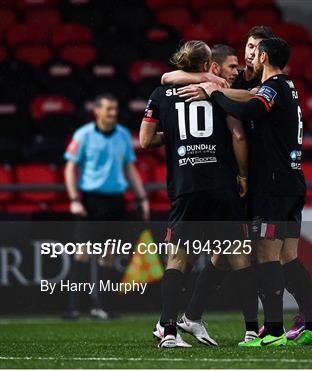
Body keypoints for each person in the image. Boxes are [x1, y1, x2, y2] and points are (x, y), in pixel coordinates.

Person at [202, 37, 312, 346]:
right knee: (288, 255)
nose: (251, 57)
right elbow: (250, 96)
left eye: (255, 52)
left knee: (266, 252)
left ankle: (273, 331)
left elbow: (251, 110)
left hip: (273, 184)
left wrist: (215, 95)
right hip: (292, 181)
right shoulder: (288, 87)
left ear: (264, 56)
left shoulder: (273, 87)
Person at [139, 40, 258, 348]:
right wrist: (243, 175)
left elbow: (145, 140)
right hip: (220, 183)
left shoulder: (161, 94)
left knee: (178, 258)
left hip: (185, 185)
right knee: (237, 253)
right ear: (208, 65)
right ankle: (251, 331)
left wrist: (177, 134)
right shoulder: (216, 92)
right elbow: (237, 133)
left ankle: (168, 331)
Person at [63, 93, 150, 320]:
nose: (113, 113)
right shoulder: (83, 135)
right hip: (91, 200)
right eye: (108, 109)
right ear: (97, 111)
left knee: (108, 256)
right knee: (81, 254)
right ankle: (74, 307)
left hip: (115, 201)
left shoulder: (122, 135)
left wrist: (142, 198)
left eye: (115, 109)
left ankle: (102, 306)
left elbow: (129, 168)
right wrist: (74, 200)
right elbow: (70, 169)